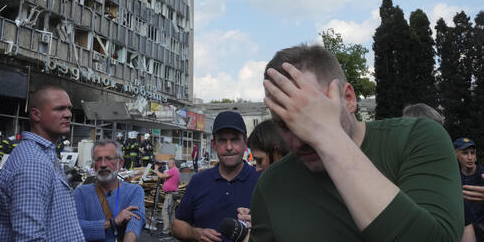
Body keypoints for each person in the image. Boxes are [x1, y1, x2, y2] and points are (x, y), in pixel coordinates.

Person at [249, 44, 463, 242]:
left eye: (311, 117)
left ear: (349, 99)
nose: (298, 141)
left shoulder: (416, 138)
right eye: (285, 125)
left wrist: (328, 138)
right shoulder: (271, 186)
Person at [0, 85, 85, 241]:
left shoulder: (45, 153)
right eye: (59, 109)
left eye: (69, 108)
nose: (68, 114)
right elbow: (30, 238)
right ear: (36, 114)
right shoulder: (33, 162)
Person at [172, 111, 261, 242]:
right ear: (214, 144)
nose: (229, 147)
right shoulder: (199, 181)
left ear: (245, 143)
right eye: (223, 140)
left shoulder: (261, 182)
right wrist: (195, 233)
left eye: (235, 139)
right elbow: (176, 226)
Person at [74, 139, 146, 242]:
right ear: (93, 164)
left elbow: (136, 221)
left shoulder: (134, 191)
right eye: (98, 159)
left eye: (108, 158)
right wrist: (112, 223)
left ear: (120, 163)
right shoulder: (81, 193)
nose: (103, 164)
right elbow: (75, 227)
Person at [454, 138, 484, 242]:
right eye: (465, 153)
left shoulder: (483, 175)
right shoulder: (453, 179)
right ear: (455, 155)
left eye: (473, 153)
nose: (470, 157)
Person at [155, 158, 180, 235]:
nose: (168, 165)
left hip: (171, 194)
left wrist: (156, 170)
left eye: (169, 164)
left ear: (173, 164)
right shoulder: (175, 170)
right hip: (173, 194)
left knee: (165, 211)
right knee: (171, 212)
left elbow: (162, 176)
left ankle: (166, 230)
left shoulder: (173, 170)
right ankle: (173, 229)